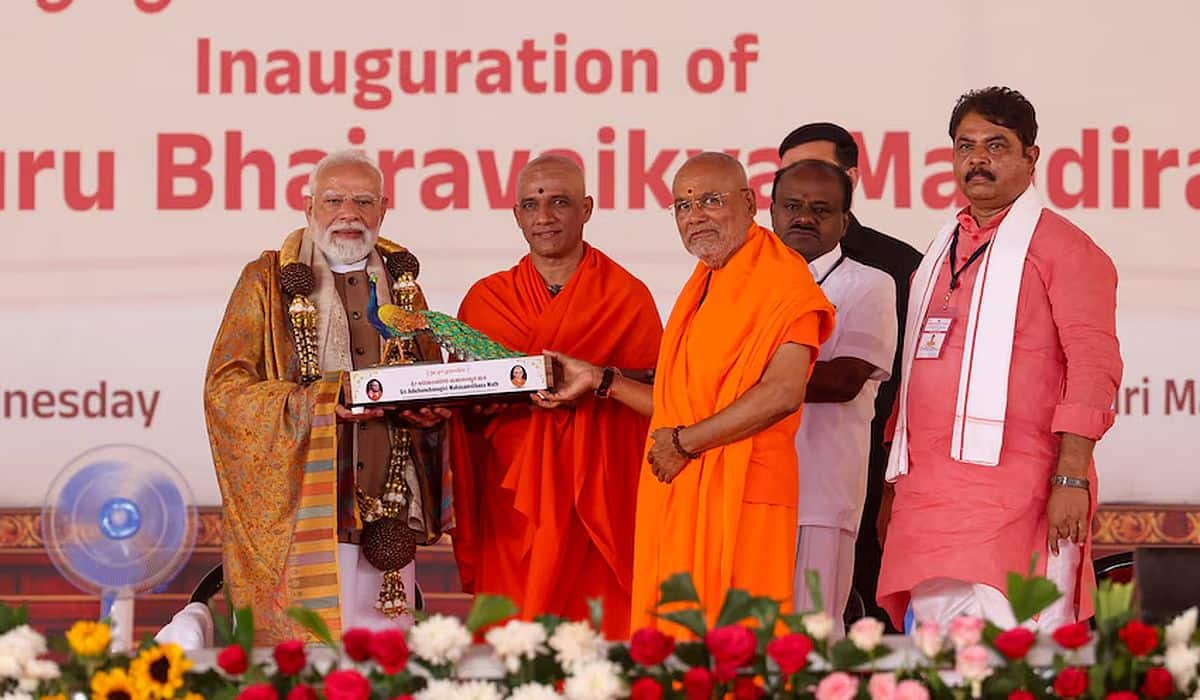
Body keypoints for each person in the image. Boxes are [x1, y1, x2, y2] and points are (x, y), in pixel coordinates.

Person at [546, 152, 835, 632]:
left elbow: (783, 392)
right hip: (685, 492)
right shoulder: (705, 282)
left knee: (737, 648)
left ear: (749, 204)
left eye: (711, 200)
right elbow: (680, 407)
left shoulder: (783, 279)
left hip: (743, 497)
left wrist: (685, 443)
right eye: (683, 205)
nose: (695, 215)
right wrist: (601, 380)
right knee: (677, 647)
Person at [877, 88, 1122, 630]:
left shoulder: (1066, 250)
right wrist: (893, 487)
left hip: (1021, 496)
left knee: (1025, 656)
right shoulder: (940, 250)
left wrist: (1071, 479)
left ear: (1031, 157)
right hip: (929, 502)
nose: (978, 160)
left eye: (996, 145)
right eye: (965, 146)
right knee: (941, 661)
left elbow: (1094, 366)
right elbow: (914, 376)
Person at [204, 149, 448, 644]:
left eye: (363, 201)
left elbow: (429, 380)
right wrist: (315, 404)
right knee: (307, 666)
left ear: (383, 210)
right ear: (309, 207)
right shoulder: (266, 280)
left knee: (384, 666)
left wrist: (429, 414)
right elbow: (225, 390)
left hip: (387, 514)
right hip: (302, 515)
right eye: (334, 200)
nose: (348, 214)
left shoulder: (404, 288)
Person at [449, 154, 663, 638]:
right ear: (516, 215)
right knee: (515, 641)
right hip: (514, 500)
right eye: (531, 204)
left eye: (559, 202)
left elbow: (657, 398)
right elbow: (465, 413)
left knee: (597, 643)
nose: (544, 217)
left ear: (586, 208)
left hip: (599, 498)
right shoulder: (486, 300)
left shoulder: (626, 296)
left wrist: (599, 380)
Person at [778, 123, 921, 628]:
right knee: (747, 639)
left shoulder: (873, 281)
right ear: (770, 212)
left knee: (813, 635)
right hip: (750, 486)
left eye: (820, 209)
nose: (803, 217)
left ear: (845, 219)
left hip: (822, 490)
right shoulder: (745, 281)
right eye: (791, 205)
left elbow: (842, 382)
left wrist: (737, 375)